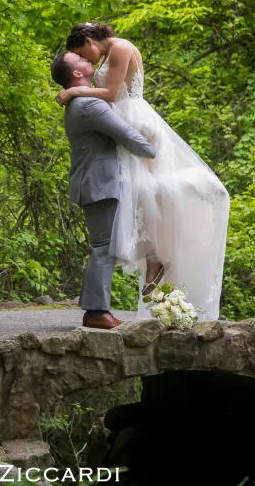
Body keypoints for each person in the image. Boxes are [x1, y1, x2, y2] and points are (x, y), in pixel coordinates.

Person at [56, 22, 230, 321]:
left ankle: (155, 261)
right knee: (142, 199)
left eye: (83, 53)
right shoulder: (91, 94)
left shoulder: (119, 49)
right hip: (121, 131)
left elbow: (111, 93)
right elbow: (109, 97)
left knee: (149, 194)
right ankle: (152, 262)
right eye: (80, 59)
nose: (87, 61)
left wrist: (76, 92)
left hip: (134, 123)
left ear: (88, 40)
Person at [51, 51, 157, 329]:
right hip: (98, 183)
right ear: (76, 74)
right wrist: (153, 150)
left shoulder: (83, 100)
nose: (88, 60)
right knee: (103, 248)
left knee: (103, 247)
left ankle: (95, 311)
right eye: (81, 60)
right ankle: (97, 312)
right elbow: (125, 134)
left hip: (96, 181)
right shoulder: (88, 105)